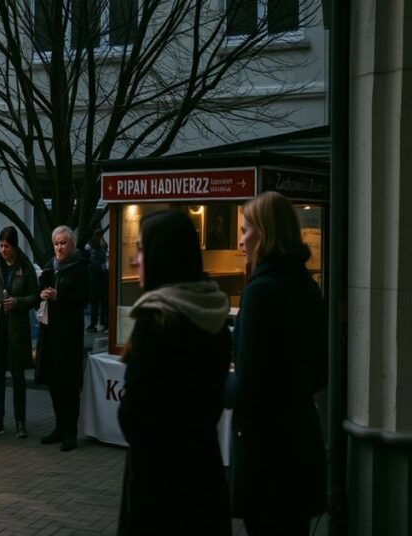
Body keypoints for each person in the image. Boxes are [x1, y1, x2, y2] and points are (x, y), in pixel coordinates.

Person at [116, 210, 232, 535]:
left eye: (141, 249)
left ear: (161, 255)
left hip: (159, 488)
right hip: (204, 476)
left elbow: (133, 415)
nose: (135, 260)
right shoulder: (213, 314)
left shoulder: (156, 321)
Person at [227, 191, 327, 535]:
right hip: (300, 443)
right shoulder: (307, 287)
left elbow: (247, 385)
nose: (241, 241)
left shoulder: (260, 292)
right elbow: (321, 370)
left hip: (266, 455)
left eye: (245, 230)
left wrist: (214, 383)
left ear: (265, 233)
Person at [0, 227, 39, 439]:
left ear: (14, 246)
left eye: (7, 246)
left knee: (18, 378)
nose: (3, 250)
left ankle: (20, 422)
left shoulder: (25, 266)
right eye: (1, 245)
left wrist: (18, 302)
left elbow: (35, 296)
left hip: (17, 332)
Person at [35, 225, 88, 451]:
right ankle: (59, 427)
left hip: (69, 336)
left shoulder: (80, 267)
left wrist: (60, 296)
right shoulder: (50, 267)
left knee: (68, 385)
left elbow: (83, 299)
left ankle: (70, 432)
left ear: (72, 245)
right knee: (54, 383)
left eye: (63, 243)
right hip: (49, 333)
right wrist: (42, 294)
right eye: (56, 243)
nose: (59, 247)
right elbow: (38, 294)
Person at [85, 229, 109, 333]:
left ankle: (94, 324)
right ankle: (103, 323)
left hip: (94, 279)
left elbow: (91, 262)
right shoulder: (103, 244)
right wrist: (104, 267)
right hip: (101, 278)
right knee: (103, 303)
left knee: (95, 303)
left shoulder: (91, 246)